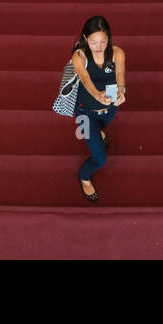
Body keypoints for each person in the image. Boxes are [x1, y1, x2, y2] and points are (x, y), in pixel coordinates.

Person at [71, 16, 126, 203]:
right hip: (84, 114)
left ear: (109, 38)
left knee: (102, 128)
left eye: (103, 41)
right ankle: (84, 176)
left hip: (109, 110)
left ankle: (99, 133)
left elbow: (120, 75)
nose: (99, 46)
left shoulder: (117, 53)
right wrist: (97, 96)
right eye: (94, 42)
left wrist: (121, 91)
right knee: (100, 158)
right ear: (86, 39)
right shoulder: (80, 57)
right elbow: (86, 81)